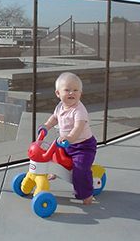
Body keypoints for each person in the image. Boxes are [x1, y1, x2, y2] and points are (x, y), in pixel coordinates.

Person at [39, 72, 97, 205]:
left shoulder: (79, 110)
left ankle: (86, 194)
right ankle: (55, 171)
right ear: (58, 93)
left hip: (83, 146)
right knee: (52, 154)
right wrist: (46, 126)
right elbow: (54, 118)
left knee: (80, 169)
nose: (72, 93)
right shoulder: (60, 106)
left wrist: (70, 137)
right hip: (66, 144)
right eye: (67, 90)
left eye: (76, 90)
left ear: (80, 93)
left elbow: (78, 127)